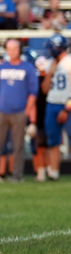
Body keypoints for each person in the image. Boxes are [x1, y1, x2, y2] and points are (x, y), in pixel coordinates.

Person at [0, 39, 38, 183]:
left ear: (19, 49)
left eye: (15, 48)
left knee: (18, 146)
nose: (12, 51)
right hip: (1, 111)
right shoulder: (1, 67)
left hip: (19, 112)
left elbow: (33, 93)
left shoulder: (28, 68)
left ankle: (17, 176)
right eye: (9, 48)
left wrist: (27, 113)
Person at [41, 35, 70, 181]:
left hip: (67, 104)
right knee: (53, 140)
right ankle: (54, 172)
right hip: (51, 104)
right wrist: (50, 73)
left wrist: (66, 109)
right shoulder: (50, 64)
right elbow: (45, 90)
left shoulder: (69, 62)